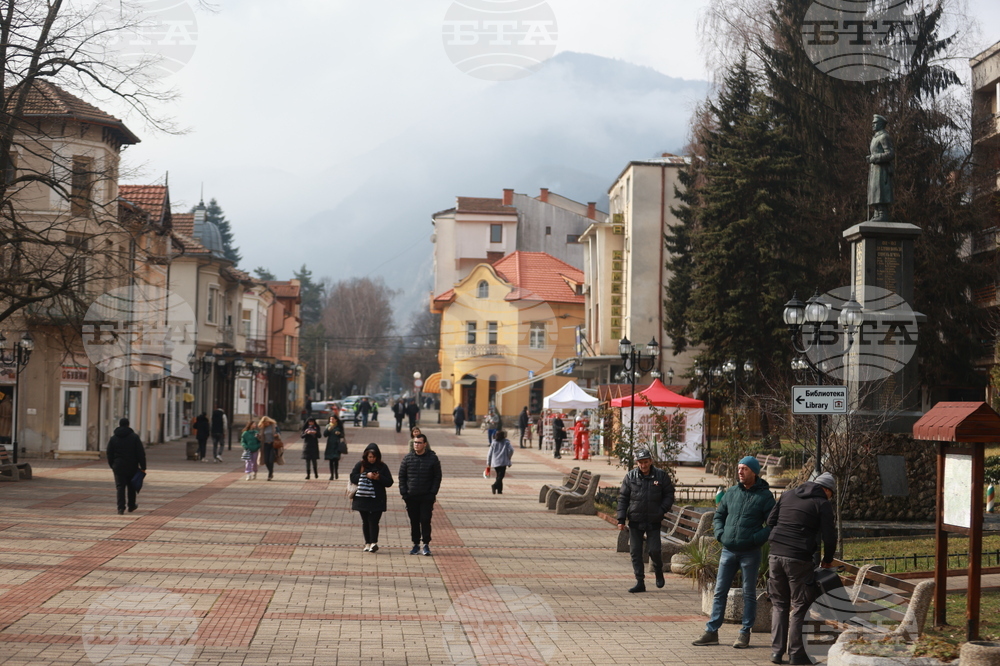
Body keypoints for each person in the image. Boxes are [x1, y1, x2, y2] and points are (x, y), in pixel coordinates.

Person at [693, 456, 776, 650]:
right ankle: (711, 631)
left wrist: (756, 539)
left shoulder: (765, 497)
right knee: (719, 591)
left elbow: (773, 523)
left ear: (754, 472)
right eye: (739, 468)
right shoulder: (731, 493)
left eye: (745, 469)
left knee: (748, 594)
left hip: (750, 552)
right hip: (728, 550)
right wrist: (720, 534)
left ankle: (744, 633)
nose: (740, 472)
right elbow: (719, 515)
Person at [767, 471, 837, 666]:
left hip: (775, 554)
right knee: (799, 605)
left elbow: (770, 521)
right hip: (798, 558)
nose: (829, 497)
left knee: (779, 604)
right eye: (831, 493)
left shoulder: (788, 494)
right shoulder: (822, 503)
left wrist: (780, 539)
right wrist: (828, 559)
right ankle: (796, 655)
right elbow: (830, 537)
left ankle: (776, 652)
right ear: (826, 489)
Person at [616, 448, 674, 593]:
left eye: (646, 462)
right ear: (637, 463)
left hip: (653, 520)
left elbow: (669, 495)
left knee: (654, 550)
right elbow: (623, 498)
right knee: (635, 552)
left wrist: (661, 510)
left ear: (650, 461)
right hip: (635, 520)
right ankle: (640, 582)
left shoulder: (661, 476)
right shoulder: (630, 477)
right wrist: (621, 519)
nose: (643, 465)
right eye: (640, 462)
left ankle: (658, 570)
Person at [399, 433, 441, 556]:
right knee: (414, 521)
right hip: (411, 496)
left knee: (425, 520)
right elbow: (402, 476)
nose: (416, 445)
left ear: (425, 444)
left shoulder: (432, 458)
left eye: (419, 443)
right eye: (415, 443)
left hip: (426, 496)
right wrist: (404, 493)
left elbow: (437, 477)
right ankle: (415, 544)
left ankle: (426, 544)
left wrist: (432, 492)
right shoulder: (408, 458)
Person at [351, 443, 394, 552]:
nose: (372, 459)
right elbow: (353, 477)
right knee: (365, 521)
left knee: (374, 521)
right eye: (370, 457)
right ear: (366, 456)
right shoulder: (360, 465)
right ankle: (367, 543)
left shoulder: (382, 466)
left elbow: (389, 482)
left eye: (374, 457)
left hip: (377, 499)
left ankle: (373, 543)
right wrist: (365, 475)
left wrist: (379, 477)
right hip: (362, 498)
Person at [106, 418, 146, 515]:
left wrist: (112, 465)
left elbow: (109, 453)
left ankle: (120, 508)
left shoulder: (113, 438)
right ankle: (131, 505)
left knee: (120, 487)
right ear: (128, 425)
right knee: (131, 487)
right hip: (132, 465)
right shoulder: (134, 437)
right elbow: (140, 453)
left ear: (119, 425)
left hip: (118, 466)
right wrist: (143, 467)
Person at [868, 114, 895, 222]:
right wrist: (871, 158)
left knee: (880, 191)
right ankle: (877, 212)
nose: (873, 125)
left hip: (882, 170)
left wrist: (875, 157)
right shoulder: (875, 137)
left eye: (875, 123)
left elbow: (890, 154)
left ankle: (882, 213)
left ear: (881, 124)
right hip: (875, 169)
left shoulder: (884, 137)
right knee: (875, 190)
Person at [485, 429, 514, 495]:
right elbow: (511, 450)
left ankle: (499, 490)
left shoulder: (493, 443)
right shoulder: (506, 442)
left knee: (498, 476)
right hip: (503, 462)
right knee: (500, 476)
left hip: (495, 462)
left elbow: (489, 453)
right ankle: (495, 485)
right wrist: (508, 457)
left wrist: (488, 463)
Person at [323, 415, 347, 480]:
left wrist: (339, 433)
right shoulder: (328, 426)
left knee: (336, 460)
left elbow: (342, 435)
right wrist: (328, 430)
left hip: (337, 445)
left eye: (333, 419)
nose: (331, 421)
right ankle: (331, 475)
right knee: (331, 460)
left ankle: (336, 472)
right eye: (330, 419)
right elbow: (325, 435)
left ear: (336, 420)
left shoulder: (339, 426)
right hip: (330, 445)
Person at [258, 416, 279, 481]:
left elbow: (279, 433)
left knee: (271, 460)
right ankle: (271, 471)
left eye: (267, 422)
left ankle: (270, 474)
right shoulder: (263, 428)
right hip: (265, 445)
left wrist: (277, 435)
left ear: (269, 421)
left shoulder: (274, 426)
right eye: (265, 423)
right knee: (266, 460)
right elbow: (261, 438)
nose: (266, 424)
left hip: (273, 445)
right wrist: (258, 436)